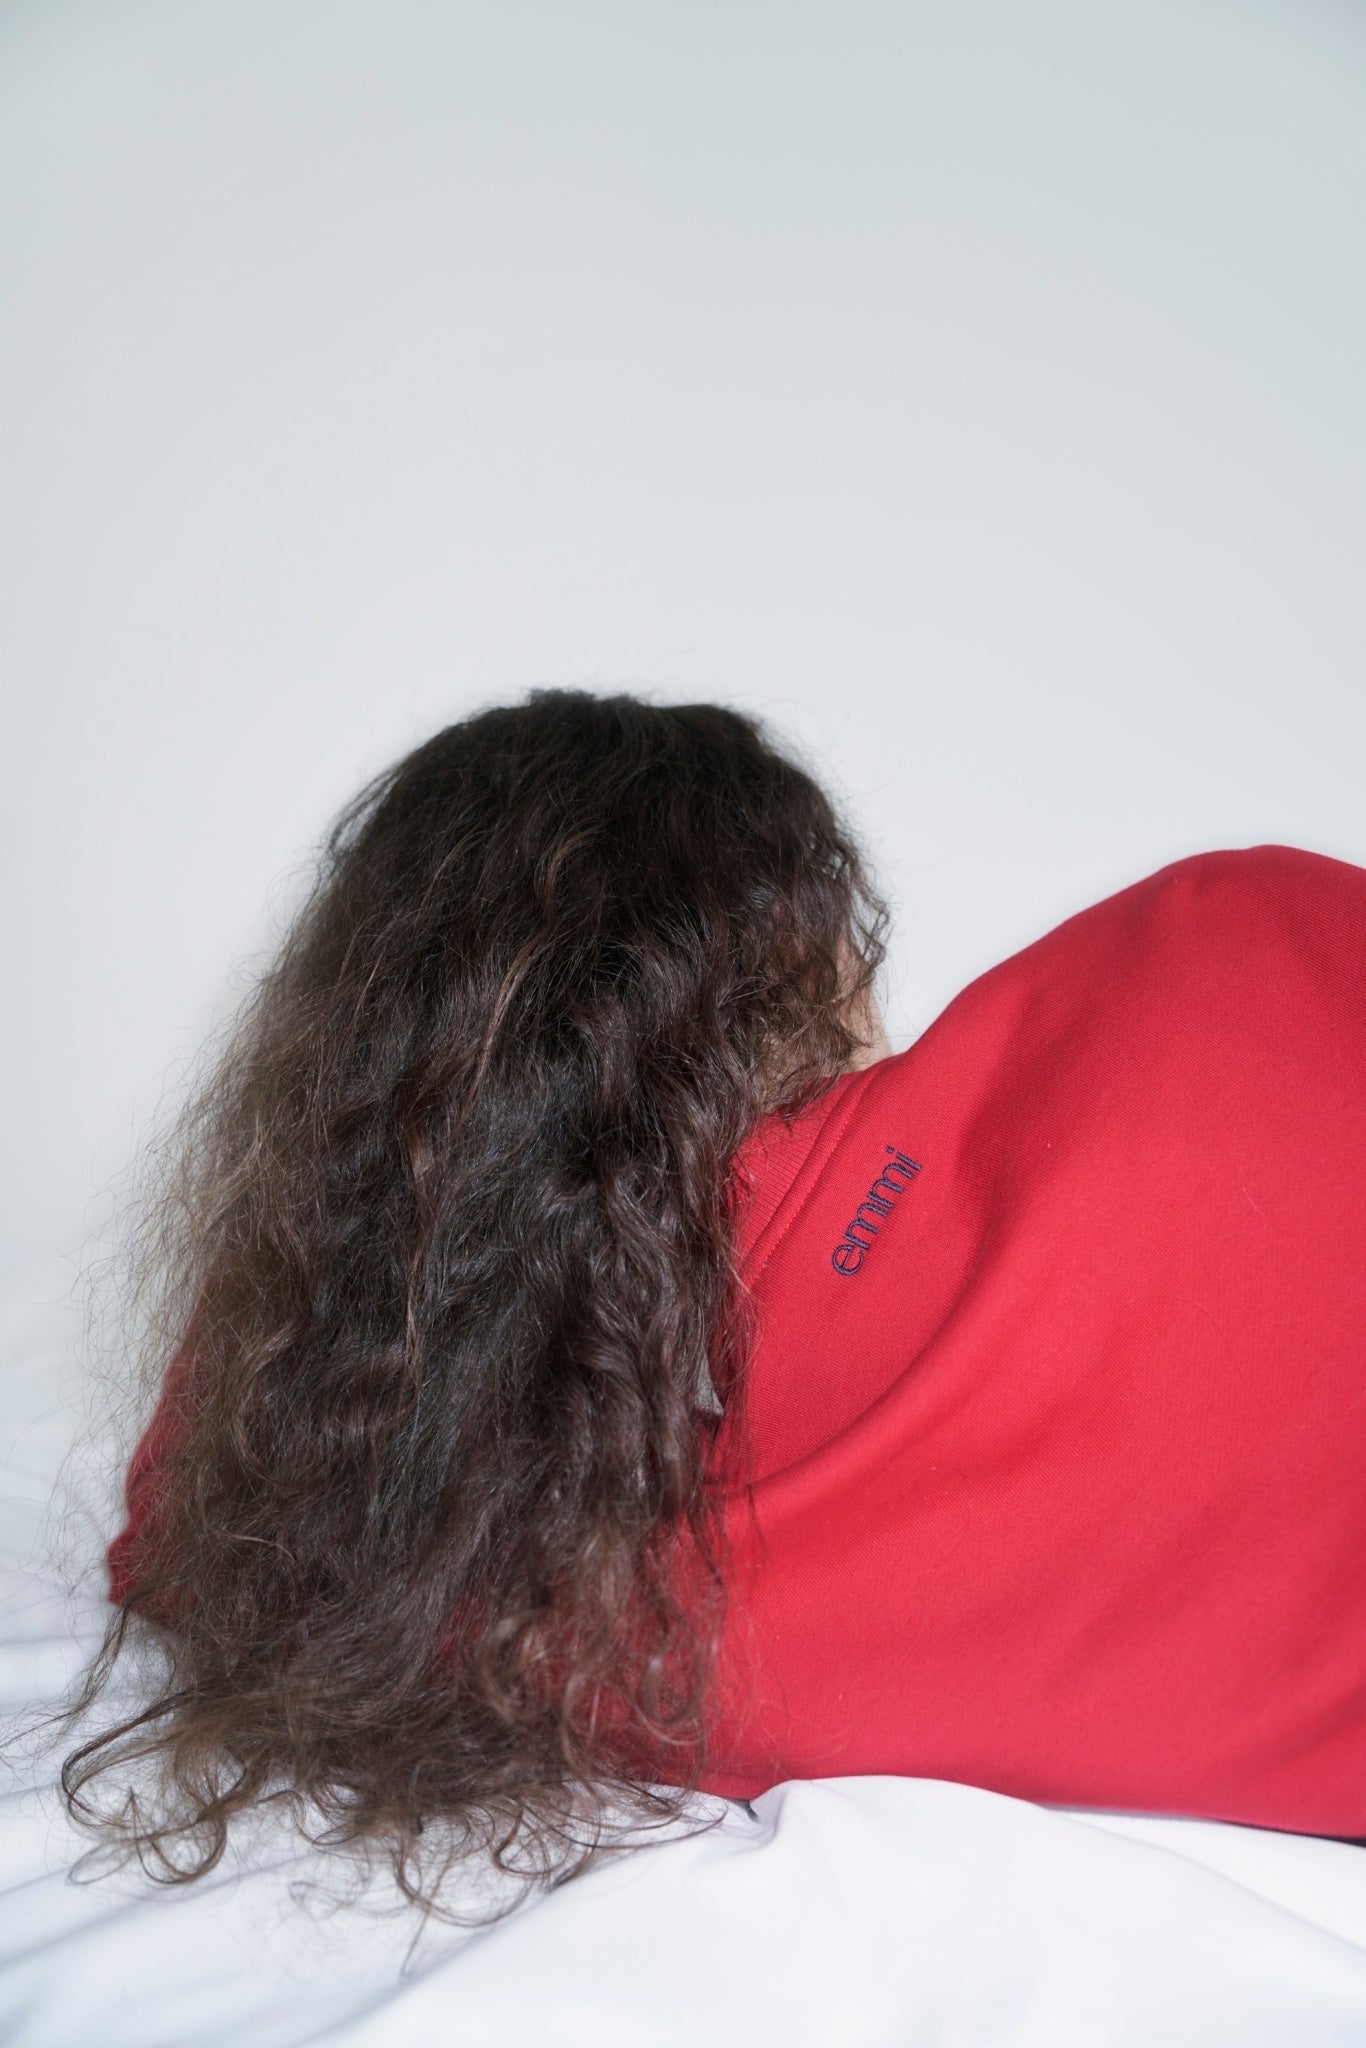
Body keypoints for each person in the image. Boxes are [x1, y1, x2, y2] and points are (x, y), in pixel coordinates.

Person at [67, 688, 1366, 1917]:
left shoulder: (621, 1629)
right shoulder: (1231, 937)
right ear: (809, 957)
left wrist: (382, 1192)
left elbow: (200, 1532)